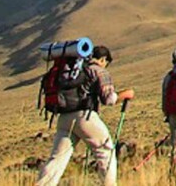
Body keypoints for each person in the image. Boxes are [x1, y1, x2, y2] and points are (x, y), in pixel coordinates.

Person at [37, 45, 135, 186]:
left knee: (57, 159)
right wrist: (125, 94)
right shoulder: (99, 71)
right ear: (102, 59)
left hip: (64, 117)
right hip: (85, 117)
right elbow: (109, 99)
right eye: (106, 62)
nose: (106, 65)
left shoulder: (74, 70)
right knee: (105, 151)